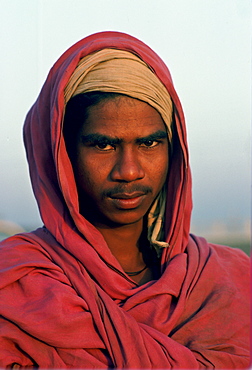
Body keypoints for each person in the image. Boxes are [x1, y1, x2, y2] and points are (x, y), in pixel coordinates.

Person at [0, 31, 249, 369]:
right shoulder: (15, 284)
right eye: (103, 145)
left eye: (149, 144)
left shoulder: (230, 280)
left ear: (173, 151)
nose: (129, 171)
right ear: (62, 156)